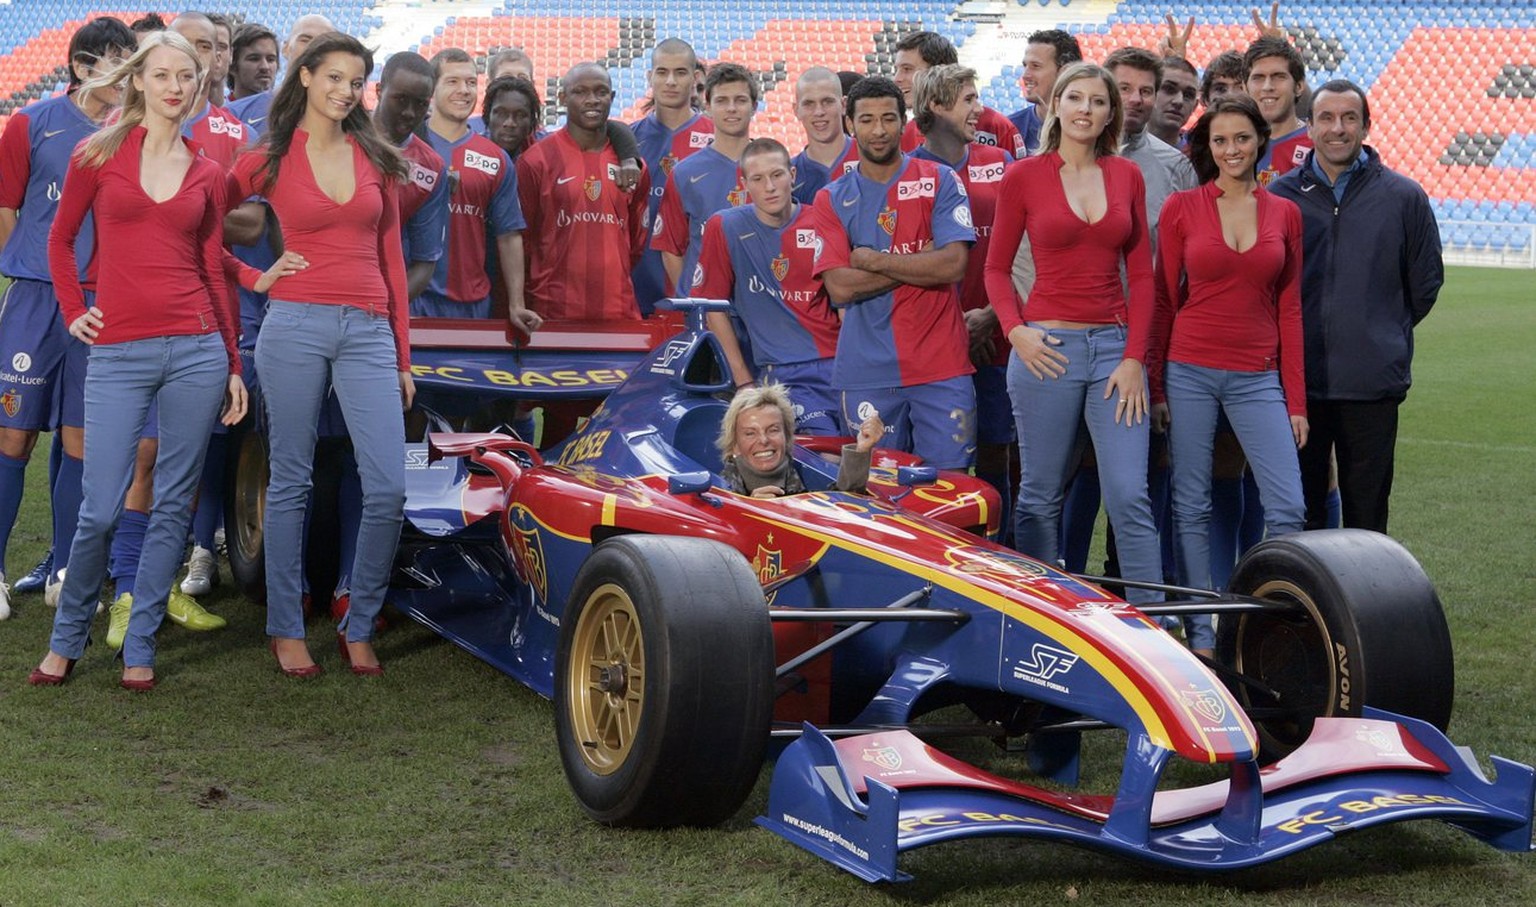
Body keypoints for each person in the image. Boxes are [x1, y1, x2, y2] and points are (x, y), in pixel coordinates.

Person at [30, 31, 250, 689]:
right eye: (162, 76)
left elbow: (213, 269)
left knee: (173, 502)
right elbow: (61, 240)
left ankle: (141, 641)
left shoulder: (209, 173)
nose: (176, 87)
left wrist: (233, 362)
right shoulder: (97, 152)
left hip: (197, 349)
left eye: (187, 76)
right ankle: (66, 638)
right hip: (118, 350)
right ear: (139, 81)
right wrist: (74, 309)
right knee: (99, 507)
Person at [229, 31, 415, 677]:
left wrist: (402, 357)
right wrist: (253, 274)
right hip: (295, 323)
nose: (343, 90)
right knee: (291, 479)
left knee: (388, 484)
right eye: (332, 76)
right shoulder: (268, 158)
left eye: (355, 80)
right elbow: (199, 222)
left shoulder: (376, 155)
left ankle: (357, 621)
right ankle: (286, 625)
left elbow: (392, 258)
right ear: (304, 76)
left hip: (368, 330)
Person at [982, 63, 1161, 609]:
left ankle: (1155, 621)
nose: (1086, 109)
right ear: (1056, 104)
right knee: (1038, 497)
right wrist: (1016, 334)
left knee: (1130, 495)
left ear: (1111, 113)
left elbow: (1145, 276)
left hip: (1114, 354)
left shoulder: (1127, 176)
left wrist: (1135, 358)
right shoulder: (1023, 177)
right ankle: (1045, 616)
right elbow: (995, 270)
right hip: (1045, 354)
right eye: (1075, 97)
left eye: (1098, 101)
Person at [1148, 95, 1307, 652]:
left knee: (1287, 504)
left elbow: (1289, 308)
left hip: (1258, 373)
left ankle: (1275, 627)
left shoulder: (1285, 212)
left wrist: (1296, 402)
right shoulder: (1182, 208)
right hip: (1188, 369)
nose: (1232, 149)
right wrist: (1158, 385)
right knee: (1190, 502)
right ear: (1207, 147)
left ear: (1259, 140)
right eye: (1220, 140)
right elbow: (1165, 301)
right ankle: (1200, 632)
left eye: (1242, 138)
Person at [0, 16, 136, 621]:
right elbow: (7, 209)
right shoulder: (31, 123)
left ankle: (63, 569)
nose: (128, 77)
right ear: (82, 67)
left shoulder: (131, 133)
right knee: (13, 436)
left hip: (98, 304)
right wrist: (28, 266)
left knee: (82, 440)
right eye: (117, 63)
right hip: (34, 300)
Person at [1269, 79, 1442, 533]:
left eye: (1349, 118)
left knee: (1367, 517)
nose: (1338, 128)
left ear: (1366, 126)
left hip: (1371, 384)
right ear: (1309, 128)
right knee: (1299, 516)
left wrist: (1380, 328)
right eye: (1326, 117)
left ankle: (1364, 606)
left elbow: (1425, 283)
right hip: (1298, 387)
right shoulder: (1280, 197)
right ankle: (1304, 605)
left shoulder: (1404, 197)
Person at [809, 77, 976, 470]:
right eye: (867, 120)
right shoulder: (831, 197)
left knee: (947, 486)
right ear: (850, 124)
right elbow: (840, 286)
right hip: (866, 371)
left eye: (888, 118)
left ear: (906, 122)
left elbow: (953, 264)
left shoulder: (940, 180)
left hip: (941, 365)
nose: (879, 130)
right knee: (873, 492)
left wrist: (873, 260)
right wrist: (922, 262)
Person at [909, 64, 1015, 518]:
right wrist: (956, 324)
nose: (980, 109)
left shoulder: (1002, 164)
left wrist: (991, 315)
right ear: (936, 105)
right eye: (968, 99)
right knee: (933, 465)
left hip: (997, 334)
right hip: (932, 340)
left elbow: (1027, 251)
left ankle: (1002, 555)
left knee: (997, 454)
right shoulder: (907, 171)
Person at [691, 139, 842, 433]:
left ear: (793, 176)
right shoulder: (725, 227)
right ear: (744, 183)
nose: (770, 187)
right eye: (758, 179)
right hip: (783, 374)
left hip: (840, 364)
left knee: (868, 456)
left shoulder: (822, 220)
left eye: (777, 175)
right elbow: (712, 306)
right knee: (826, 453)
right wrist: (744, 382)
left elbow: (844, 300)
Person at [517, 62, 651, 321]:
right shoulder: (536, 161)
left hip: (618, 310)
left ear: (611, 98)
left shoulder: (635, 169)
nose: (592, 100)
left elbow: (635, 242)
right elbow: (523, 241)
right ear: (563, 98)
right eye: (580, 92)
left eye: (601, 92)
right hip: (551, 311)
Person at [418, 48, 531, 322]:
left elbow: (509, 235)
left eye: (471, 82)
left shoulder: (495, 157)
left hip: (474, 303)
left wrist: (517, 304)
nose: (464, 90)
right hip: (416, 299)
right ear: (432, 88)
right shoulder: (410, 146)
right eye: (453, 81)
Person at [652, 61, 757, 297]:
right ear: (708, 106)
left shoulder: (772, 168)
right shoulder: (684, 173)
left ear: (754, 106)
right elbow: (670, 248)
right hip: (707, 306)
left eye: (740, 100)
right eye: (721, 100)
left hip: (763, 307)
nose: (731, 108)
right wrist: (691, 299)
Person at [631, 38, 714, 314]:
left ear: (695, 79)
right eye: (662, 72)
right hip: (638, 283)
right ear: (649, 77)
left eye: (680, 72)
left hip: (700, 281)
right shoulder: (628, 140)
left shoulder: (717, 139)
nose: (670, 81)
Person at [373, 51, 449, 305]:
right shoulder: (339, 137)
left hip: (377, 306)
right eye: (400, 99)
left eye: (420, 104)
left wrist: (384, 307)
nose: (409, 112)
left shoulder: (431, 168)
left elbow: (425, 262)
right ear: (378, 90)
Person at [717, 384, 882, 498]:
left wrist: (861, 450)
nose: (763, 440)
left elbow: (843, 504)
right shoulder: (720, 492)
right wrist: (754, 509)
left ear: (787, 437)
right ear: (735, 446)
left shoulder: (801, 476)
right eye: (750, 433)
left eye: (773, 430)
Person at [892, 31, 1024, 158]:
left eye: (907, 69)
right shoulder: (903, 136)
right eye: (897, 69)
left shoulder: (997, 126)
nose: (896, 78)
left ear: (940, 71)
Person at [1244, 36, 1310, 185]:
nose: (1267, 86)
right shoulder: (1230, 144)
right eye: (1258, 78)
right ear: (1245, 87)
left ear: (1299, 86)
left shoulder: (1318, 144)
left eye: (1278, 77)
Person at [1007, 29, 1082, 155]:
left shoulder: (1088, 129)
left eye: (1035, 66)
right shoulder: (1009, 129)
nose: (1025, 75)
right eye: (1025, 66)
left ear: (1065, 72)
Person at [789, 66, 857, 205]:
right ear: (796, 110)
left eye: (827, 102)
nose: (819, 112)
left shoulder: (871, 160)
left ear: (843, 105)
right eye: (809, 104)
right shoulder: (787, 175)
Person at [1150, 56, 1199, 149]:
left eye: (1188, 95)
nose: (1179, 101)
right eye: (1169, 89)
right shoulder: (1119, 148)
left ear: (1195, 106)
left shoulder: (1200, 159)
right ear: (1149, 93)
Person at [228, 22, 277, 103]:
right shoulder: (218, 113)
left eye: (271, 59)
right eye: (254, 59)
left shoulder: (287, 112)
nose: (265, 67)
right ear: (232, 66)